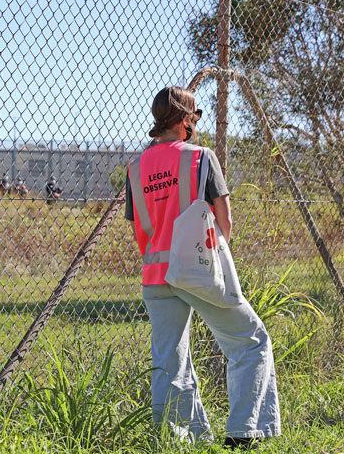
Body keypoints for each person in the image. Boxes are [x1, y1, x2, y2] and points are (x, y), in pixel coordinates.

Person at [125, 86, 280, 448]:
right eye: (194, 117)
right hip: (197, 270)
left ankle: (177, 440)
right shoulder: (200, 158)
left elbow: (139, 229)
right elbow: (224, 222)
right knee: (250, 342)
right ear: (184, 119)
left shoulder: (135, 168)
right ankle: (244, 432)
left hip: (155, 274)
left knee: (168, 362)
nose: (195, 124)